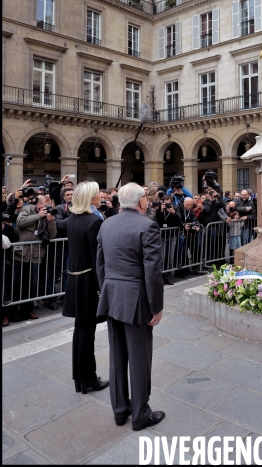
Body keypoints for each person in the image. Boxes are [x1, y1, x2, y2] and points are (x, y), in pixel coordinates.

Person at [96, 183, 165, 431]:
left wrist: (107, 291)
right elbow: (153, 272)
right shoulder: (148, 226)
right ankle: (140, 414)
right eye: (146, 197)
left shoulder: (106, 223)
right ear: (141, 202)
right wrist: (156, 306)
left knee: (116, 356)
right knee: (139, 358)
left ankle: (119, 411)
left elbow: (100, 265)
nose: (147, 201)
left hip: (112, 295)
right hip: (136, 300)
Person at [62, 181, 109, 395]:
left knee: (80, 330)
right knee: (86, 331)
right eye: (98, 194)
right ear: (91, 198)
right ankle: (88, 378)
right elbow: (97, 259)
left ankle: (79, 379)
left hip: (75, 279)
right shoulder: (93, 222)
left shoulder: (73, 218)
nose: (101, 196)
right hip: (89, 281)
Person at [13, 193, 57, 321]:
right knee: (17, 283)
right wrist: (38, 216)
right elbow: (20, 222)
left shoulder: (49, 215)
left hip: (37, 255)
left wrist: (51, 221)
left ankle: (29, 309)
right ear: (38, 205)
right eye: (44, 206)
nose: (46, 209)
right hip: (21, 254)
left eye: (48, 206)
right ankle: (15, 310)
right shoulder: (28, 209)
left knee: (33, 284)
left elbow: (52, 236)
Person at [154, 194, 182, 284]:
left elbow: (180, 222)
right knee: (162, 257)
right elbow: (158, 221)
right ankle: (161, 275)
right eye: (165, 201)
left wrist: (173, 212)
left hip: (172, 236)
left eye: (168, 201)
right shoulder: (160, 209)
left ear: (171, 201)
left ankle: (168, 276)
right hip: (162, 236)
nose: (167, 204)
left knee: (170, 257)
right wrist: (161, 210)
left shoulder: (175, 208)